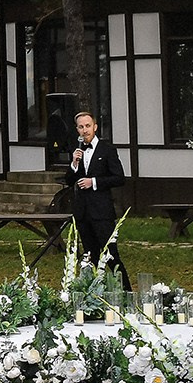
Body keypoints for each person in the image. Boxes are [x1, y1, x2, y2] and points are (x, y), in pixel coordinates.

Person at [64, 111, 126, 277]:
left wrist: (94, 182)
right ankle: (95, 288)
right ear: (77, 130)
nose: (85, 130)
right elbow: (69, 180)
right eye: (81, 127)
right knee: (90, 257)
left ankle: (125, 288)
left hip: (102, 211)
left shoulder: (107, 150)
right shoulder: (77, 150)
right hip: (83, 212)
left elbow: (119, 178)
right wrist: (74, 164)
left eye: (88, 126)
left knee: (111, 255)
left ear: (95, 127)